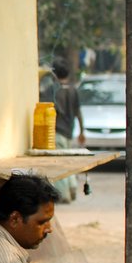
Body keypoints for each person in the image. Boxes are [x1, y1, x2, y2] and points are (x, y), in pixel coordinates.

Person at [51, 62, 85, 202]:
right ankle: (72, 188)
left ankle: (63, 195)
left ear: (54, 74)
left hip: (57, 131)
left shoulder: (54, 91)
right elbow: (78, 112)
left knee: (60, 163)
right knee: (68, 161)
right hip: (69, 131)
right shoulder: (73, 90)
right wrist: (82, 131)